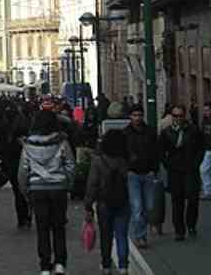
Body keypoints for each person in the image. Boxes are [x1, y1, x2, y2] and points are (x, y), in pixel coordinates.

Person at [18, 110, 76, 275]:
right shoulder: (61, 142)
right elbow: (70, 165)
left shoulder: (28, 144)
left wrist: (25, 191)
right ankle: (60, 263)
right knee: (58, 227)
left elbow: (23, 170)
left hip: (37, 189)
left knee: (42, 228)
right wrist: (68, 184)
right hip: (58, 187)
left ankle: (44, 265)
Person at [84, 129, 131, 275]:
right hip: (123, 201)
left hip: (104, 202)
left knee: (106, 235)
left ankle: (106, 265)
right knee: (122, 235)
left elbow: (92, 184)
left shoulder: (98, 161)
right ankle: (123, 266)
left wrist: (88, 204)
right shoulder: (125, 160)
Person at [159, 104, 204, 241]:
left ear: (185, 116)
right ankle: (179, 230)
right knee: (177, 201)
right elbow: (161, 151)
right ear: (171, 117)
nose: (178, 118)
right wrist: (168, 165)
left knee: (192, 198)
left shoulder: (193, 130)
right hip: (175, 170)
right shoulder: (166, 132)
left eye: (180, 116)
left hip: (190, 169)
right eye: (175, 116)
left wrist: (196, 163)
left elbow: (200, 148)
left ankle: (191, 224)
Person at [122, 106, 159, 248]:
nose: (137, 118)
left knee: (148, 206)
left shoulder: (150, 132)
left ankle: (142, 231)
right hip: (133, 174)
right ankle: (140, 236)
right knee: (137, 207)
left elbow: (156, 151)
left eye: (139, 115)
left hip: (148, 173)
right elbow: (123, 154)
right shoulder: (125, 133)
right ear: (130, 117)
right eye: (134, 115)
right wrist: (127, 169)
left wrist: (154, 170)